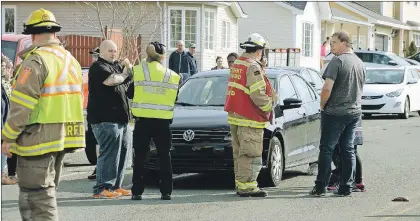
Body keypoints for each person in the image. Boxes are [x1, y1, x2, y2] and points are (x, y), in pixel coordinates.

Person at [1, 8, 85, 220]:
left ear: (32, 34)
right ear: (54, 33)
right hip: (63, 137)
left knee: (38, 198)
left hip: (37, 138)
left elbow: (21, 105)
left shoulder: (36, 60)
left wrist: (8, 137)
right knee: (43, 194)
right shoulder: (69, 59)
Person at [310, 31, 366, 197]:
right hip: (354, 112)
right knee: (347, 149)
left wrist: (322, 106)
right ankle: (346, 187)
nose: (331, 45)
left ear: (344, 43)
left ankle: (320, 186)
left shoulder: (338, 61)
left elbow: (327, 88)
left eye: (334, 42)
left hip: (335, 112)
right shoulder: (359, 62)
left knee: (327, 149)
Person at [224, 33, 275, 197]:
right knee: (250, 153)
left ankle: (242, 185)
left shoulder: (239, 62)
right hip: (249, 118)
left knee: (240, 153)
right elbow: (257, 94)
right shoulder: (252, 66)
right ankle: (248, 187)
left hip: (237, 115)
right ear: (259, 50)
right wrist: (270, 106)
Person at [128, 41, 180, 201]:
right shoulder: (172, 75)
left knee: (140, 157)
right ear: (163, 56)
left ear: (147, 55)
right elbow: (175, 97)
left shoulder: (137, 71)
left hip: (143, 122)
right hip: (163, 123)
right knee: (165, 156)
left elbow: (130, 94)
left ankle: (137, 191)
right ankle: (166, 191)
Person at [87, 40, 133, 199]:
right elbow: (112, 80)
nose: (114, 53)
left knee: (123, 153)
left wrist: (129, 70)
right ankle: (102, 188)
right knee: (109, 154)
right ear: (101, 52)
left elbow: (127, 84)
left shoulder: (116, 66)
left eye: (115, 51)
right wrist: (126, 72)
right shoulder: (98, 67)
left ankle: (116, 186)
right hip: (105, 119)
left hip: (121, 118)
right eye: (110, 51)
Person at [327, 116, 365, 192]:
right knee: (352, 151)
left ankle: (337, 179)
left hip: (343, 118)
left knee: (340, 151)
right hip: (354, 116)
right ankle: (358, 181)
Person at [1, 53, 17, 185]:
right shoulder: (3, 85)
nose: (9, 71)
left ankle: (6, 173)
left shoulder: (6, 84)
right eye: (7, 68)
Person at [86, 46, 100, 181]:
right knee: (93, 141)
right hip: (93, 109)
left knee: (98, 142)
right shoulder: (93, 68)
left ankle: (99, 168)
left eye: (96, 55)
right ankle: (98, 166)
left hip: (100, 112)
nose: (93, 57)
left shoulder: (100, 69)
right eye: (93, 55)